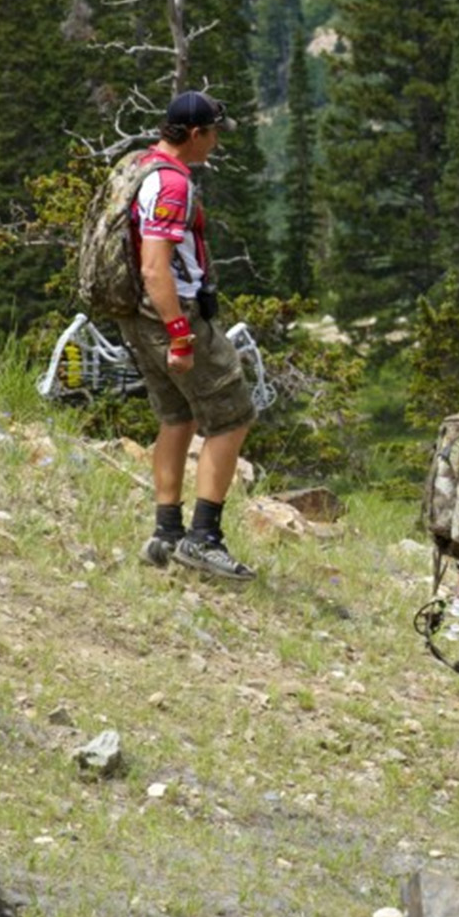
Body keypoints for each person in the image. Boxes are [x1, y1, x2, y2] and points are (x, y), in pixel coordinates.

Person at [123, 90, 259, 583]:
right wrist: (181, 334)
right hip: (169, 313)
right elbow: (155, 267)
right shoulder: (173, 185)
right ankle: (204, 538)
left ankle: (165, 534)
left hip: (137, 314)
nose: (217, 142)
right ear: (196, 133)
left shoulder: (143, 165)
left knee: (176, 415)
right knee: (232, 414)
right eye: (214, 132)